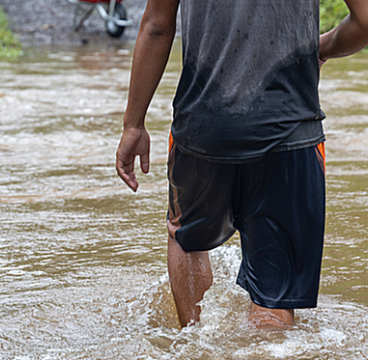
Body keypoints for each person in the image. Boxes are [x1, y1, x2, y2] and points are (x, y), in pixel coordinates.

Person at [116, 0, 368, 328]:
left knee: (186, 238)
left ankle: (194, 341)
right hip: (290, 129)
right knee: (272, 299)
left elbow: (157, 25)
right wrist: (322, 46)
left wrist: (133, 124)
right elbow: (365, 21)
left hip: (203, 127)